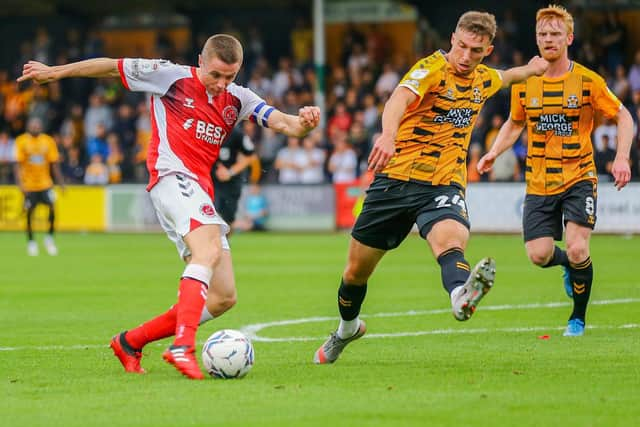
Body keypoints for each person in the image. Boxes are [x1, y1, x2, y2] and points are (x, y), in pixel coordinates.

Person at [19, 34, 320, 379]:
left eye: (230, 77)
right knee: (206, 252)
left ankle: (130, 342)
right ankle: (182, 345)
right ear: (201, 61)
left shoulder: (239, 98)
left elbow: (285, 123)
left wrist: (305, 120)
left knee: (223, 296)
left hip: (198, 191)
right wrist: (56, 72)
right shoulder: (169, 75)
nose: (222, 84)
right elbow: (109, 67)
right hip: (171, 177)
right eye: (216, 75)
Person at [313, 11, 548, 365]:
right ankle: (347, 328)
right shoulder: (431, 69)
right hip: (395, 179)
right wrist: (388, 135)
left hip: (443, 182)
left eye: (477, 51)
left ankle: (460, 296)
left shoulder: (482, 78)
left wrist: (532, 68)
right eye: (463, 47)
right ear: (453, 38)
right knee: (354, 273)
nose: (467, 57)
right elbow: (399, 99)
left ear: (488, 49)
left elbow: (506, 77)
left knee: (451, 239)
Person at [477, 5, 633, 337]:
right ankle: (566, 266)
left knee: (579, 248)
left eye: (555, 34)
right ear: (536, 39)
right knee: (539, 254)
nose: (548, 40)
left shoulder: (588, 81)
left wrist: (622, 157)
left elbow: (624, 116)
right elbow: (514, 123)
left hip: (579, 177)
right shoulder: (524, 82)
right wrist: (493, 152)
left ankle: (577, 318)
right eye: (543, 34)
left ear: (569, 38)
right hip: (539, 182)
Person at [14, 117, 65, 256]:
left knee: (53, 208)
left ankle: (49, 238)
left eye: (38, 125)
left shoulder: (48, 141)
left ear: (41, 126)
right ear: (28, 126)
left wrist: (60, 182)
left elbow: (54, 163)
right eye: (33, 125)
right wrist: (20, 184)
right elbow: (17, 165)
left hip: (45, 183)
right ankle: (31, 242)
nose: (35, 127)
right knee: (29, 213)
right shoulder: (21, 141)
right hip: (29, 185)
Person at [211, 120, 258, 228]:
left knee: (229, 218)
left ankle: (224, 243)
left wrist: (230, 172)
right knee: (211, 213)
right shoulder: (205, 130)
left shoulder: (237, 133)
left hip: (232, 181)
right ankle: (213, 243)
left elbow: (250, 155)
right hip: (211, 179)